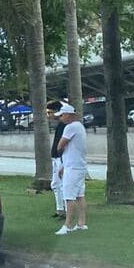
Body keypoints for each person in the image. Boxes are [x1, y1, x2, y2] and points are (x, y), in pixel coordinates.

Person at [55, 103, 88, 234]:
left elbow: (60, 145)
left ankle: (67, 226)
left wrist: (59, 151)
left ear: (68, 115)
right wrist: (63, 165)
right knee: (80, 195)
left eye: (62, 115)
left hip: (73, 168)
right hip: (77, 165)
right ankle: (81, 223)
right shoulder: (79, 126)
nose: (60, 118)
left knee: (69, 196)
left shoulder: (70, 127)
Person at [46, 100, 67, 218]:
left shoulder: (64, 126)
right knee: (55, 184)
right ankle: (60, 209)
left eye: (50, 113)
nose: (49, 116)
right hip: (56, 158)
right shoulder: (60, 126)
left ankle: (66, 209)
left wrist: (63, 161)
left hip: (61, 158)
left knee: (63, 184)